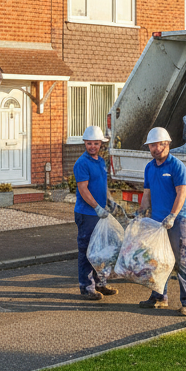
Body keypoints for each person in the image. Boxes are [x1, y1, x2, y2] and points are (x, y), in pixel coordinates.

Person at [138, 126, 186, 316]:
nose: (155, 149)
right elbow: (147, 194)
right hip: (157, 223)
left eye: (159, 145)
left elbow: (182, 193)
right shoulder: (149, 168)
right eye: (152, 146)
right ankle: (159, 297)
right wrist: (140, 213)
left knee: (181, 262)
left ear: (167, 144)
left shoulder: (177, 166)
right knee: (158, 261)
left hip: (177, 222)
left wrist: (172, 215)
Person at [73, 125, 121, 301]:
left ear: (101, 144)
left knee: (101, 251)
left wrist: (109, 201)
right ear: (84, 143)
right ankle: (86, 287)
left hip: (99, 213)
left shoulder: (100, 162)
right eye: (89, 143)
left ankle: (101, 283)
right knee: (87, 251)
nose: (92, 146)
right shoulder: (82, 163)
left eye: (95, 143)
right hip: (87, 214)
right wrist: (96, 207)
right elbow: (83, 189)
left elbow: (103, 185)